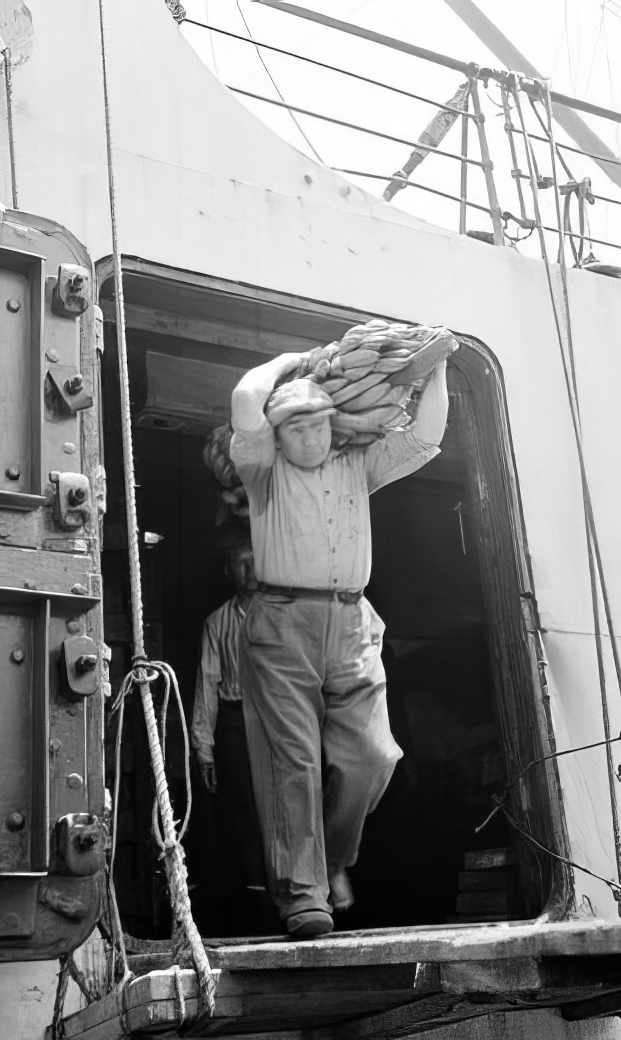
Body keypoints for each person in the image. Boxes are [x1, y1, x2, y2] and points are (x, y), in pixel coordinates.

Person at [230, 350, 449, 938]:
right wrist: (291, 362)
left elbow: (426, 435)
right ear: (279, 437)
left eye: (318, 424)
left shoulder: (358, 466)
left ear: (334, 424)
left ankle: (331, 861)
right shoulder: (263, 471)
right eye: (296, 428)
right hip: (282, 621)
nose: (309, 438)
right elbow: (247, 401)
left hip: (352, 622)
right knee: (293, 763)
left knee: (373, 758)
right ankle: (305, 897)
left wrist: (439, 367)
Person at [190, 539, 268, 926]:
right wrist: (203, 747)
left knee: (290, 800)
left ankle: (296, 888)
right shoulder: (217, 622)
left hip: (280, 716)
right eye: (240, 564)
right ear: (228, 571)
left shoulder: (282, 614)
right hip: (237, 720)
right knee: (246, 805)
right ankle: (257, 896)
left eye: (254, 563)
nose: (249, 571)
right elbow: (207, 683)